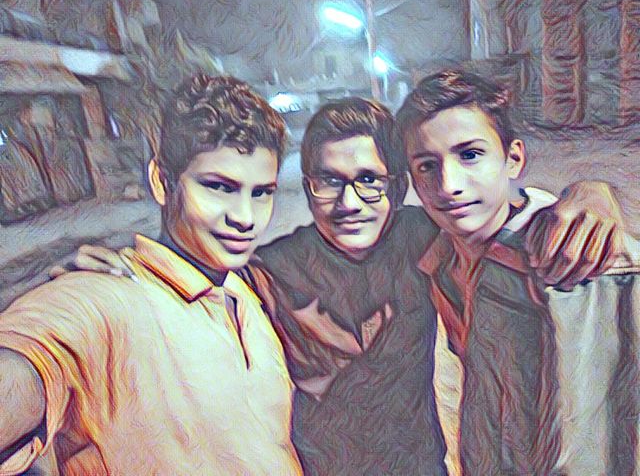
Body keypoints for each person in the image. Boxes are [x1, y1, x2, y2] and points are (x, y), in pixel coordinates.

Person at [59, 96, 630, 475]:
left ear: (398, 187)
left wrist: (591, 192)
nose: (349, 202)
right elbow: (184, 287)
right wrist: (111, 277)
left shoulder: (424, 240)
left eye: (369, 181)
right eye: (329, 181)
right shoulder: (271, 271)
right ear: (307, 187)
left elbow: (505, 213)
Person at [0, 74, 302, 475]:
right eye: (218, 187)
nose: (246, 217)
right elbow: (30, 363)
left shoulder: (241, 294)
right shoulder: (104, 299)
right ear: (161, 182)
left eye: (261, 192)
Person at [397, 68, 640, 475]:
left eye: (470, 155)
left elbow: (593, 443)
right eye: (426, 166)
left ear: (513, 159)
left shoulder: (572, 260)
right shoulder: (440, 259)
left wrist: (595, 193)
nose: (449, 184)